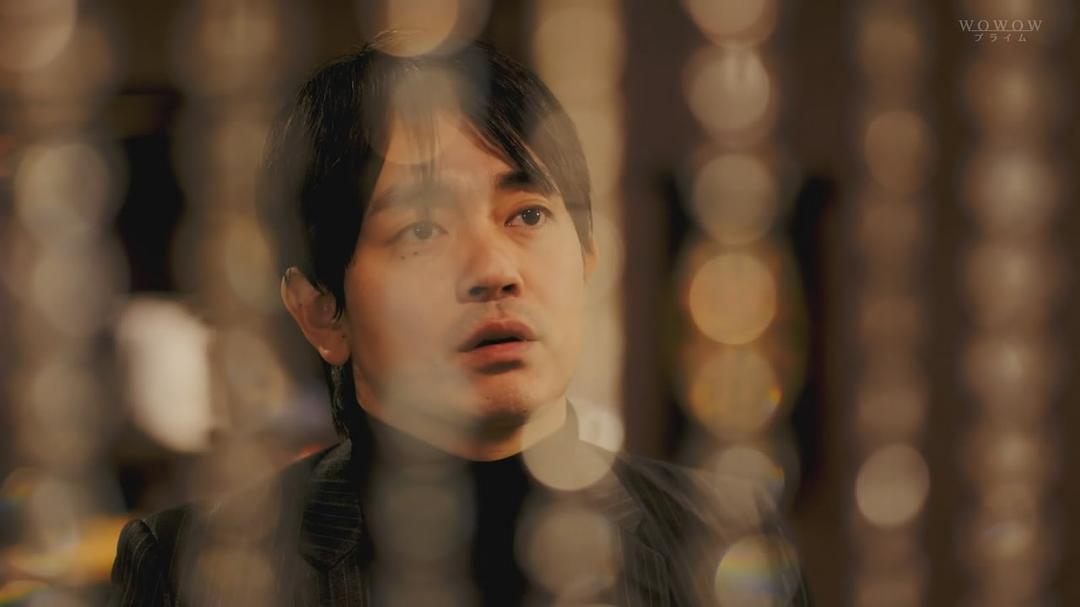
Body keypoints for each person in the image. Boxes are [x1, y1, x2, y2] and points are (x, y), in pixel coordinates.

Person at [110, 33, 810, 606]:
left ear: (590, 256)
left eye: (527, 215)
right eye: (422, 231)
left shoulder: (724, 542)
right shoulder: (193, 569)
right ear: (321, 312)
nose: (494, 269)